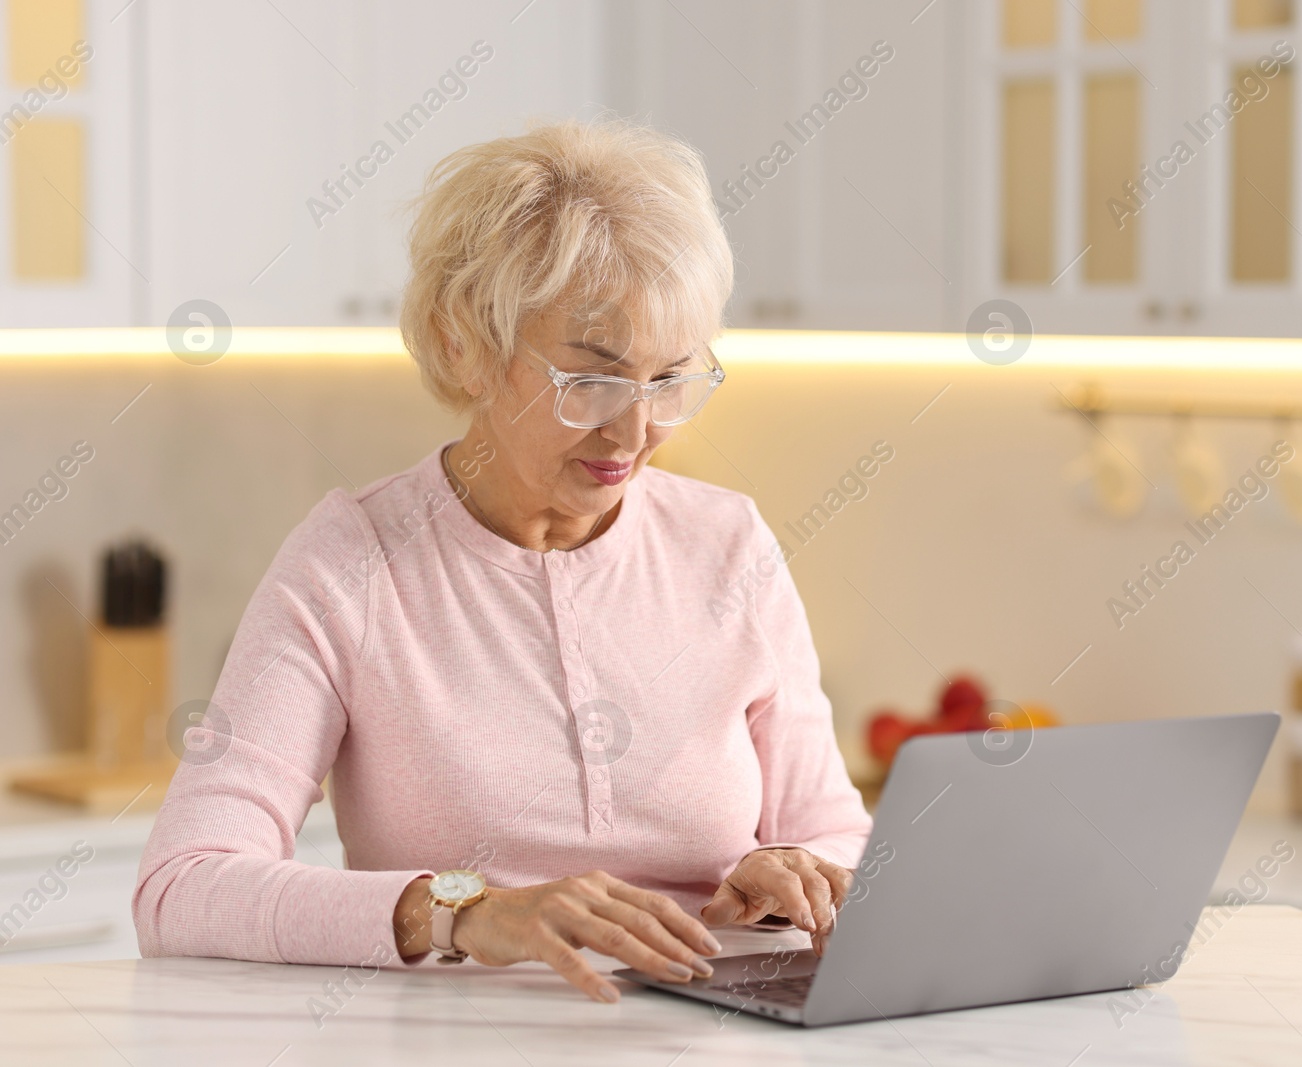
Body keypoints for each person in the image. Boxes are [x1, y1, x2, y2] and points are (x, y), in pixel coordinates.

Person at [134, 117, 872, 1003]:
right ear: (464, 344)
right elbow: (182, 885)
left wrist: (794, 867)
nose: (636, 433)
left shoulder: (729, 543)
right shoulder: (354, 561)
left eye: (671, 379)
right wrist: (468, 912)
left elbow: (843, 837)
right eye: (591, 379)